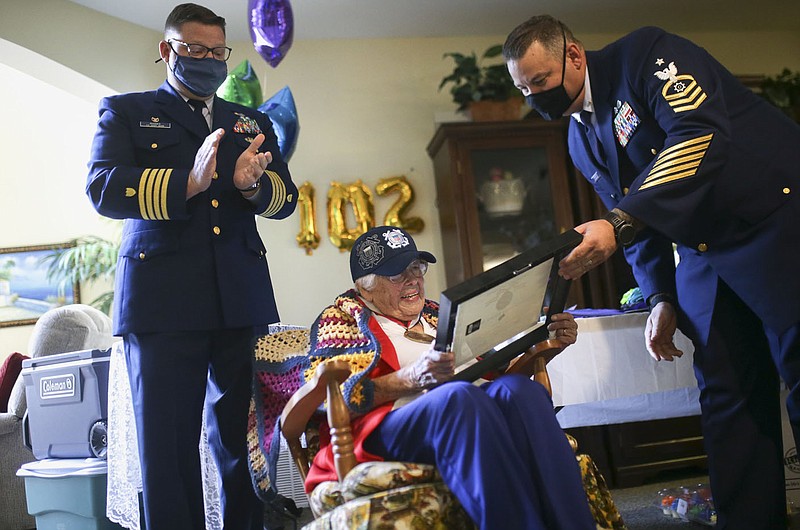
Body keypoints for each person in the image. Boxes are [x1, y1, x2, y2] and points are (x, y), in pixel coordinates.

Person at [504, 15, 800, 529]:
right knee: (727, 392)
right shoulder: (579, 138)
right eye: (524, 88)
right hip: (705, 252)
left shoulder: (646, 56)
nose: (535, 96)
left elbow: (698, 134)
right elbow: (633, 213)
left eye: (541, 80)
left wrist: (618, 223)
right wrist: (660, 293)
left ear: (574, 55)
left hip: (771, 220)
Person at [86, 4, 297, 529]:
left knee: (245, 439)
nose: (206, 60)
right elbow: (102, 187)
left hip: (239, 295)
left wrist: (251, 185)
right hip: (163, 300)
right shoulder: (127, 111)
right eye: (193, 50)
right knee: (168, 446)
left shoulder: (249, 122)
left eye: (216, 52)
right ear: (167, 50)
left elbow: (286, 198)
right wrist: (188, 182)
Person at [300, 225, 595, 530]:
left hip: (467, 412)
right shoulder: (341, 320)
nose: (413, 279)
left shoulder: (437, 314)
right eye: (397, 274)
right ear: (365, 287)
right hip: (389, 425)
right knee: (458, 397)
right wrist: (413, 377)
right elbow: (331, 398)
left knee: (520, 392)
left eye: (416, 267)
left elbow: (491, 373)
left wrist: (547, 345)